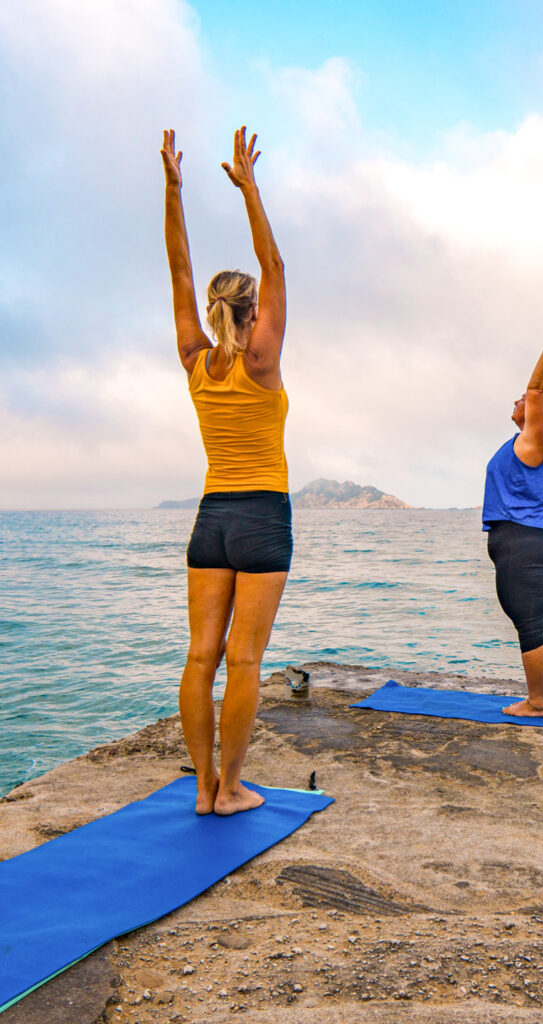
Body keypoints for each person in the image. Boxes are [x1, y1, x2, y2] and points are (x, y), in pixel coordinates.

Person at [161, 126, 289, 814]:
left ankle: (203, 786)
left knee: (199, 657)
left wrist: (173, 191)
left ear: (216, 313)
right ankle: (232, 789)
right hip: (262, 516)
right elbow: (276, 264)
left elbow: (179, 273)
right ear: (252, 310)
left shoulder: (195, 361)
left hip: (210, 519)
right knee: (243, 660)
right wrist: (250, 190)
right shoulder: (261, 361)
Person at [482, 312, 543, 718]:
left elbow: (540, 391)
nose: (517, 400)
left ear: (536, 412)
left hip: (526, 540)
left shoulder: (535, 439)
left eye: (521, 399)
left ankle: (538, 703)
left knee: (530, 626)